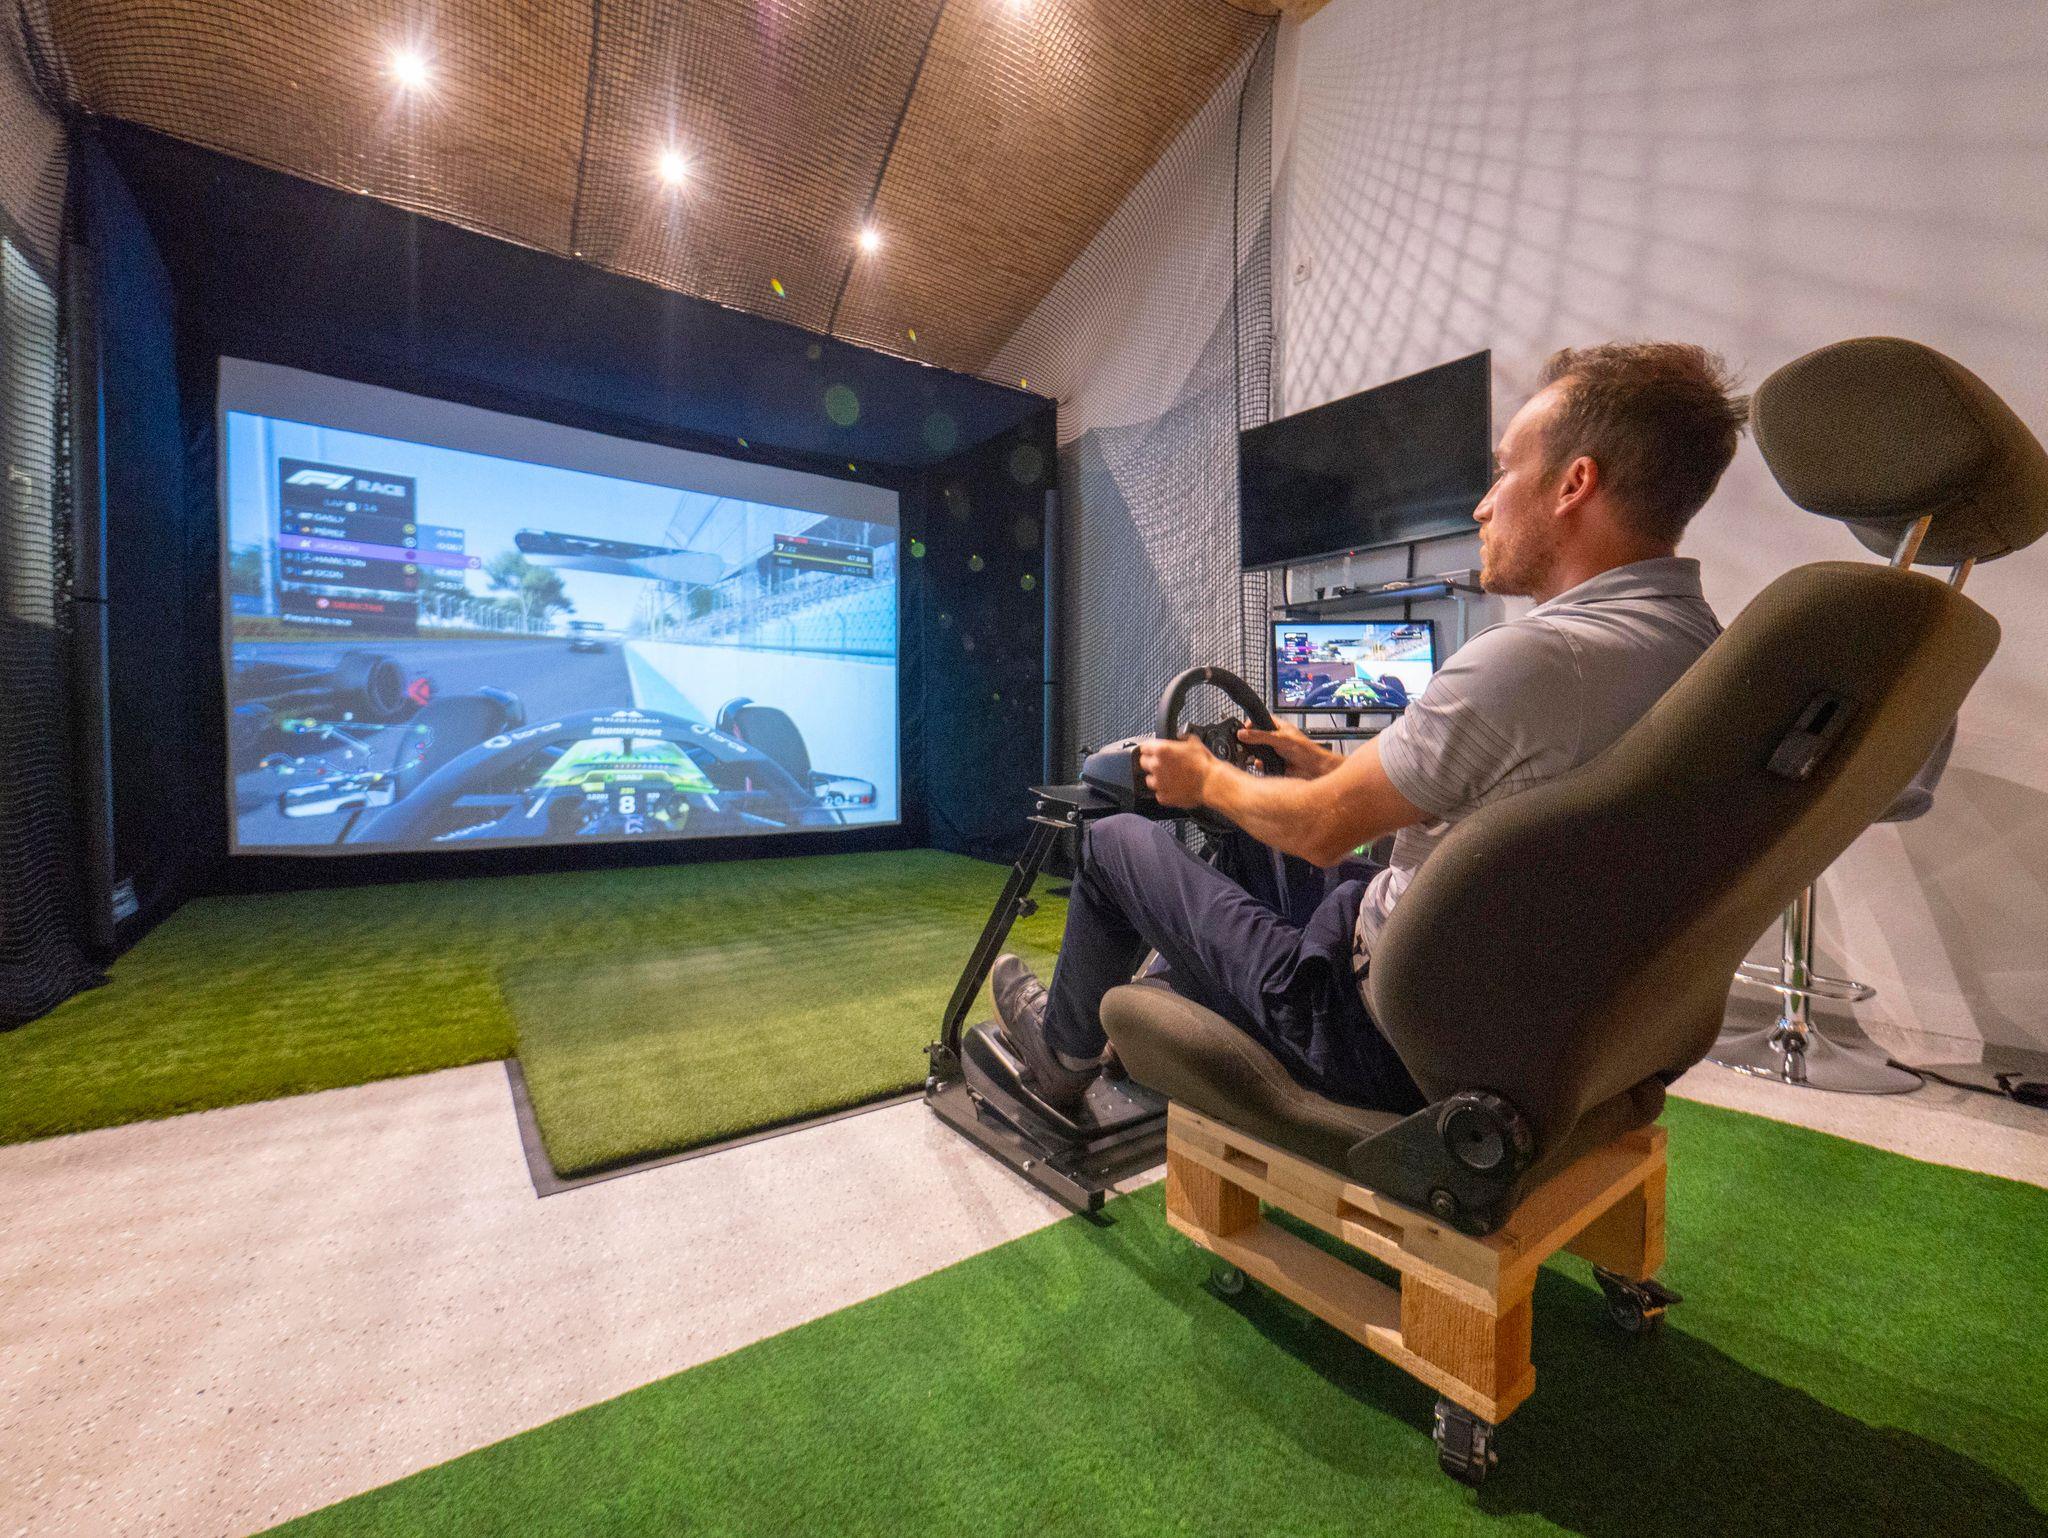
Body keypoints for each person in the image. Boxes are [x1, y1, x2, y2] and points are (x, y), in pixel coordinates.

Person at [993, 342, 1749, 1113]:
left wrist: (1206, 780)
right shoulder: (1703, 654)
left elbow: (1322, 830)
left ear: (1574, 484)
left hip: (1378, 1033)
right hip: (1535, 1013)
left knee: (1117, 842)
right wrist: (1325, 766)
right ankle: (1151, 1023)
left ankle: (1061, 1060)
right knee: (1253, 838)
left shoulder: (1535, 661)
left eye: (1502, 472)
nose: (1482, 506)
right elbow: (1486, 804)